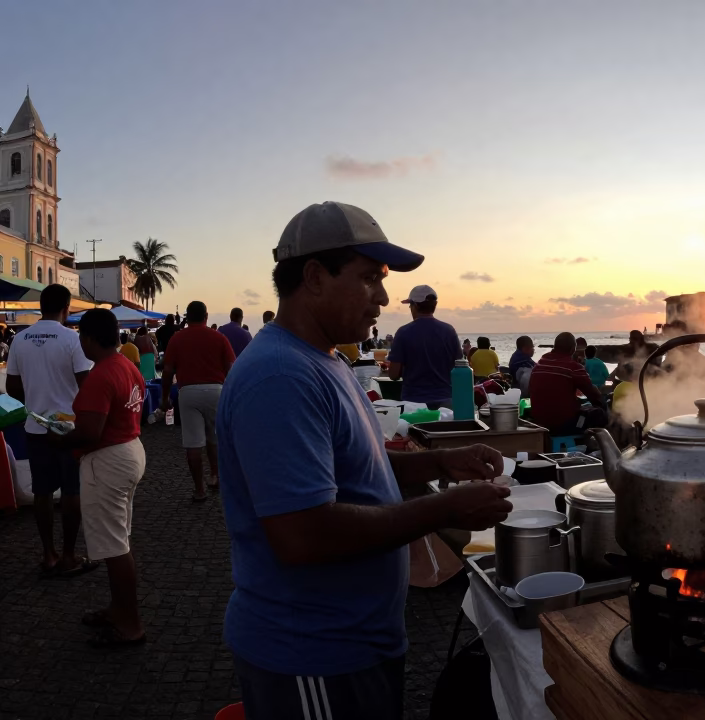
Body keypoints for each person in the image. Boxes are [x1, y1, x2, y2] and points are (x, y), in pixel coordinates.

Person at [219, 201, 512, 719]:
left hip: (354, 642)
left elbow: (358, 468)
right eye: (370, 278)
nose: (383, 297)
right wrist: (445, 510)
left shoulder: (323, 359)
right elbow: (304, 533)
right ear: (313, 277)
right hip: (312, 653)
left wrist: (442, 464)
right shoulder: (281, 377)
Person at [57, 309, 148, 647]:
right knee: (119, 539)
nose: (80, 341)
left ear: (91, 339)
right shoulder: (127, 366)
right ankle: (119, 609)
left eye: (82, 335)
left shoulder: (101, 375)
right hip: (129, 449)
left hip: (107, 460)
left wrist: (59, 438)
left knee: (114, 546)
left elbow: (90, 432)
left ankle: (130, 623)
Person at [6, 284, 97, 577]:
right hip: (68, 428)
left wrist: (35, 403)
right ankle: (69, 555)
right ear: (66, 307)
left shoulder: (20, 339)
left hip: (35, 427)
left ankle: (49, 554)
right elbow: (87, 384)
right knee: (72, 490)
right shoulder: (72, 339)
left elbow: (12, 387)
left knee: (43, 491)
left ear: (41, 306)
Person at [160, 301, 237, 501]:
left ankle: (199, 489)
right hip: (216, 390)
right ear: (206, 316)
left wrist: (165, 396)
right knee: (215, 437)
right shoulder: (219, 337)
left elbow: (167, 371)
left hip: (188, 392)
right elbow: (231, 367)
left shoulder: (177, 339)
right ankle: (215, 476)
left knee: (193, 443)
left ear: (187, 316)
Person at [387, 285, 462, 408]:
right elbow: (459, 367)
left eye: (410, 305)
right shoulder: (449, 331)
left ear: (415, 305)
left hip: (414, 403)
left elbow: (393, 375)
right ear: (434, 305)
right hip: (446, 401)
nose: (410, 308)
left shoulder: (403, 332)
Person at [529, 332, 608, 435]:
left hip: (539, 422)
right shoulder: (573, 367)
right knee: (599, 413)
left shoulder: (539, 365)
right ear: (572, 349)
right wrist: (599, 398)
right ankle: (593, 444)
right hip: (564, 424)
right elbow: (592, 393)